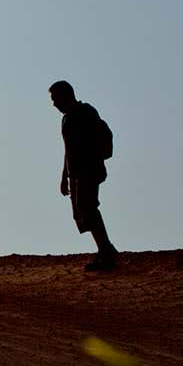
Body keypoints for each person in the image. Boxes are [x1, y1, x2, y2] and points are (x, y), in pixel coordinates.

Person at [51, 80, 118, 270]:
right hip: (76, 173)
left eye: (55, 98)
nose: (54, 104)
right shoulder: (66, 119)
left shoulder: (85, 112)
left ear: (66, 95)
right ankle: (105, 249)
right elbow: (68, 149)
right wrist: (65, 176)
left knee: (88, 209)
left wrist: (89, 164)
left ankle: (106, 252)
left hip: (88, 170)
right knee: (82, 212)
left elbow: (94, 141)